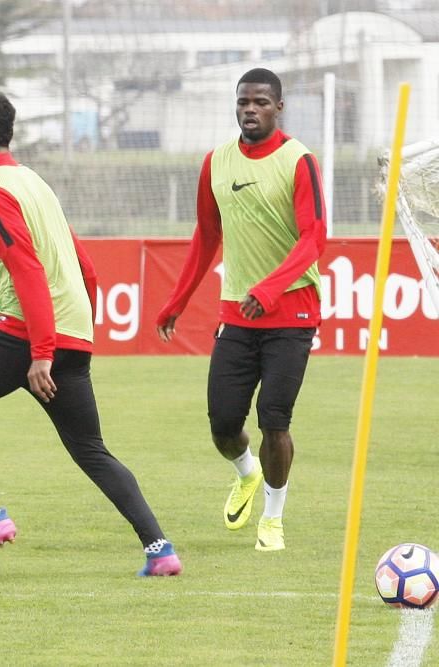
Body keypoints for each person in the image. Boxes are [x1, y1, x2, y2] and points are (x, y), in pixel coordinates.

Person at [0, 87, 182, 577]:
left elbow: (27, 268)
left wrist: (41, 352)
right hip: (72, 334)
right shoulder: (34, 182)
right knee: (90, 450)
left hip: (29, 335)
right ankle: (160, 550)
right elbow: (87, 269)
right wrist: (77, 337)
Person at [156, 68, 327, 552]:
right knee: (223, 424)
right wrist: (176, 301)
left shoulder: (299, 160)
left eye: (260, 102)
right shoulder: (217, 162)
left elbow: (313, 237)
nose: (250, 109)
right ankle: (246, 474)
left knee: (275, 419)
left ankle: (272, 518)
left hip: (291, 313)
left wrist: (271, 289)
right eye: (243, 102)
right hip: (238, 315)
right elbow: (206, 236)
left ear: (279, 107)